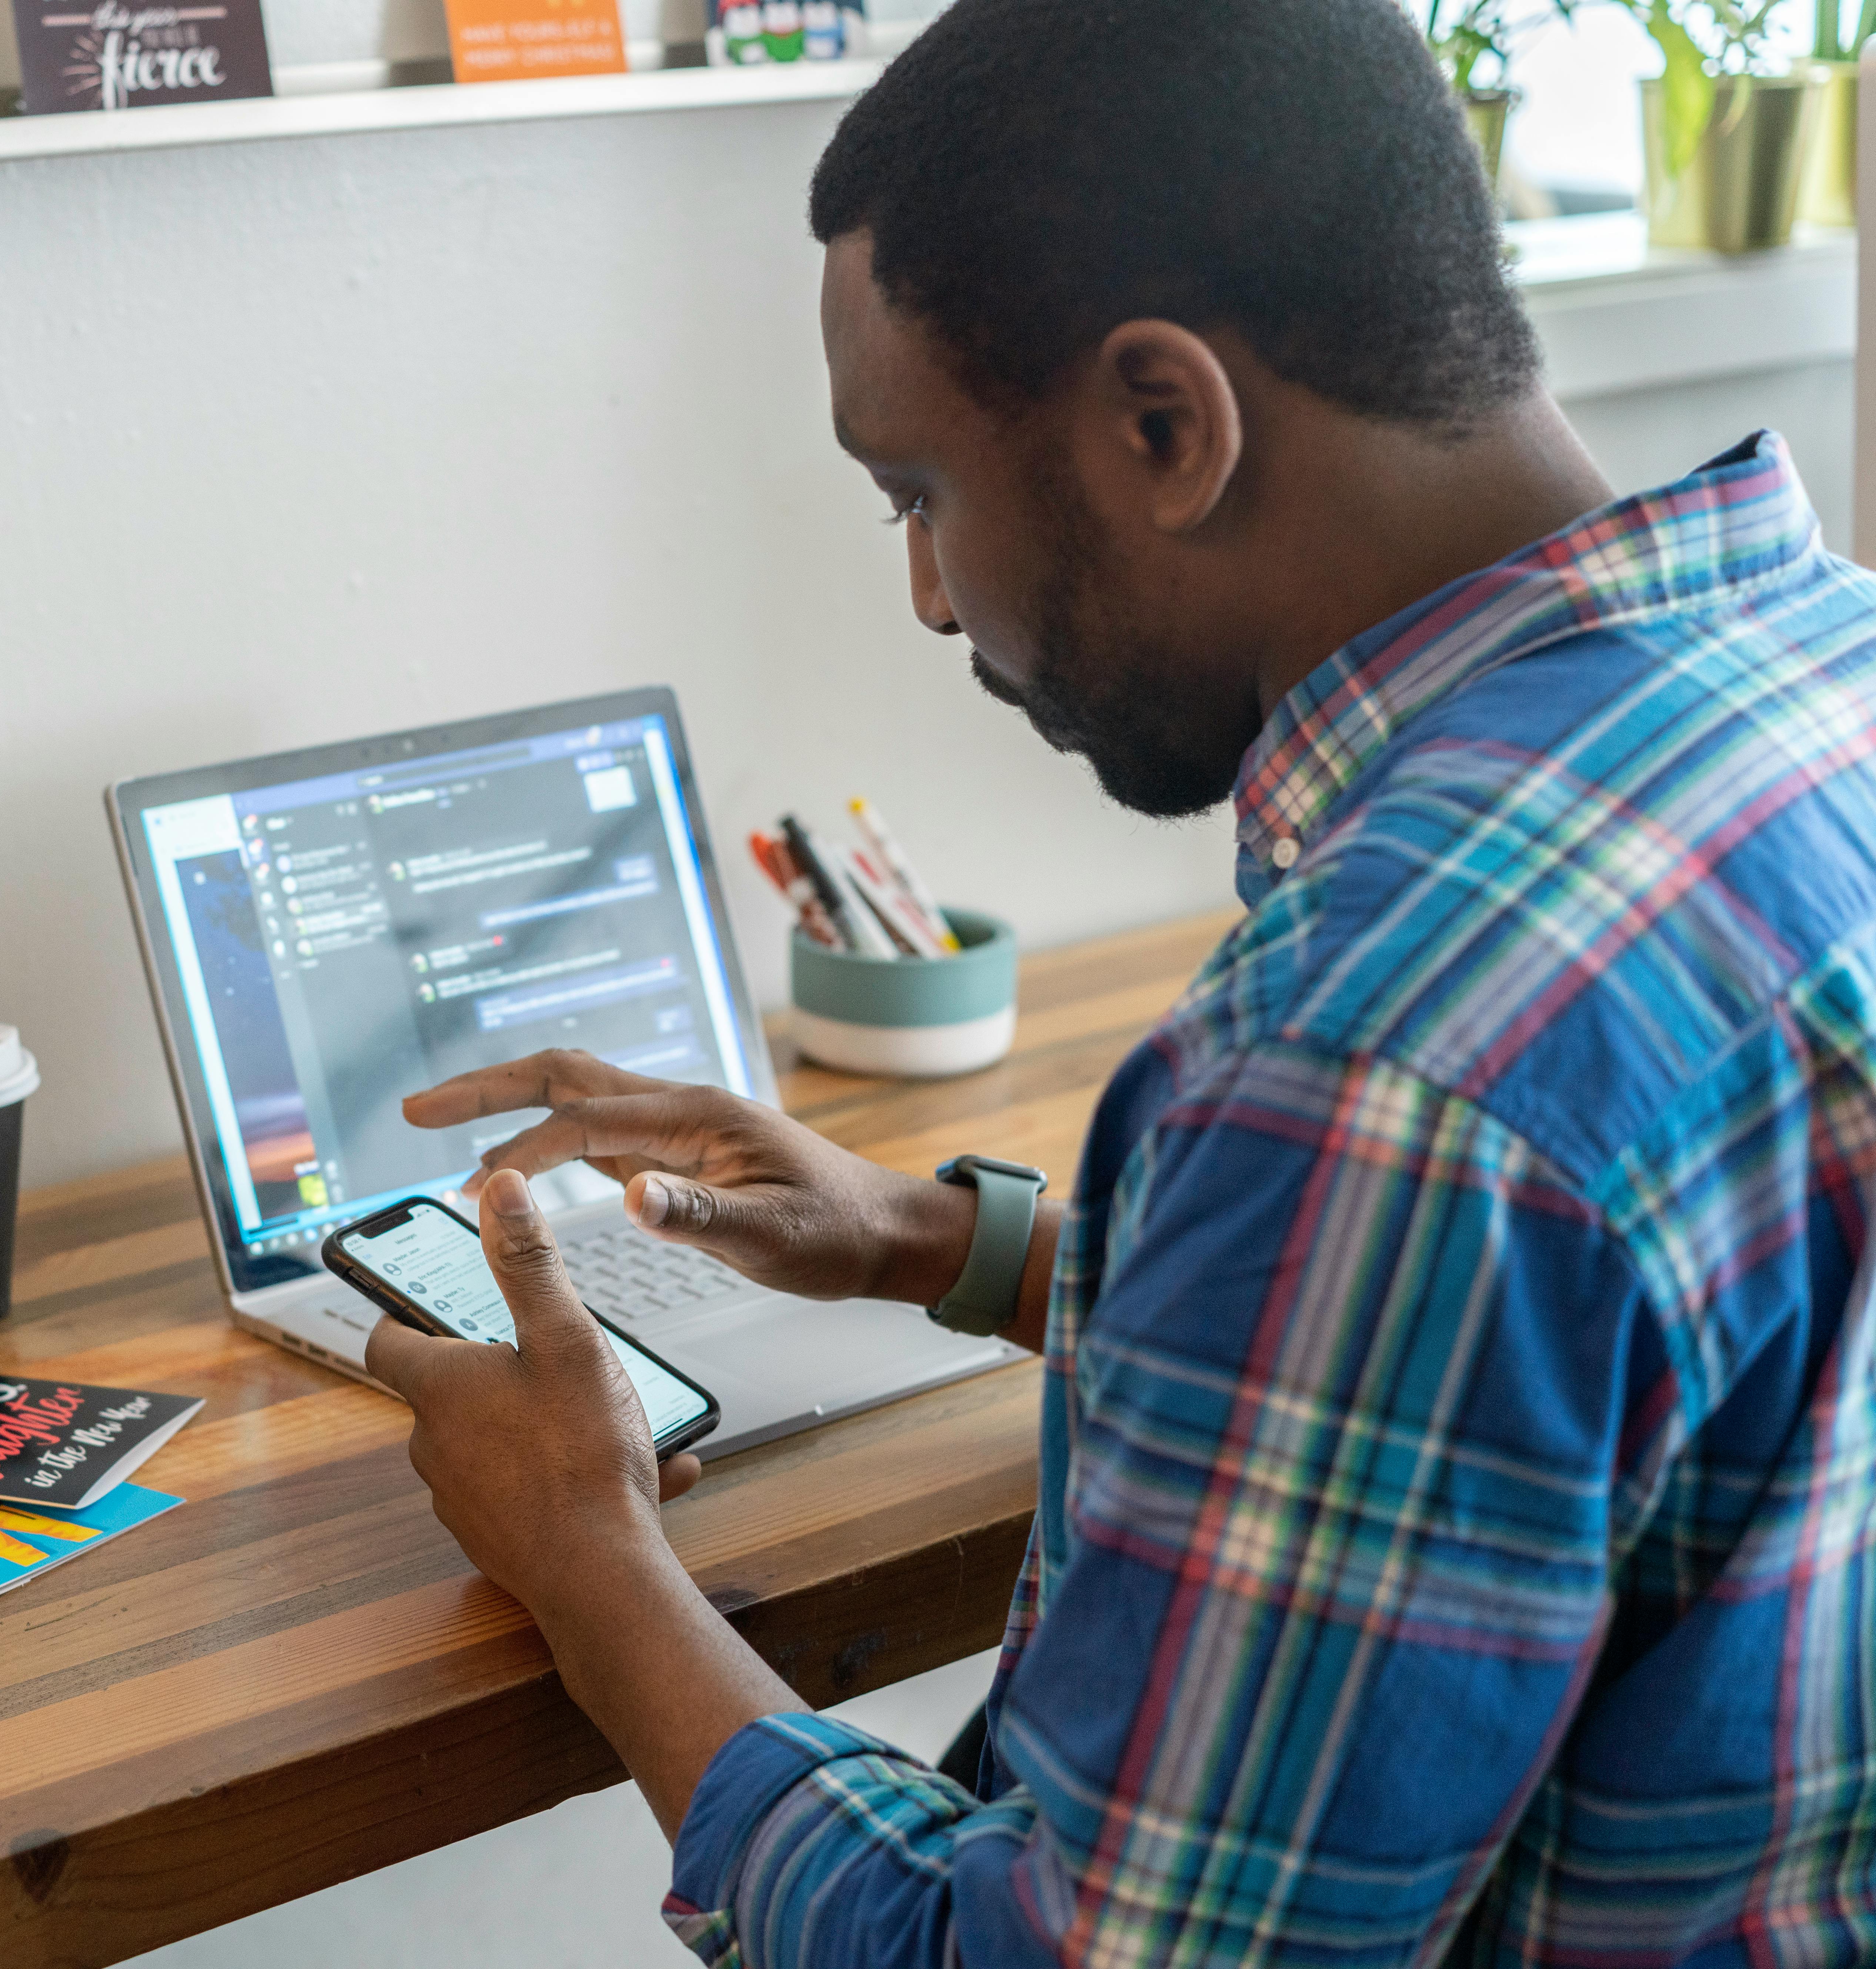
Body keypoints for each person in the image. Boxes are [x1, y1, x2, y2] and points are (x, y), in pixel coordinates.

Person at [362, 0, 1876, 1962]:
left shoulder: (1377, 1055)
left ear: (1167, 424)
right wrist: (951, 1243)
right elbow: (1573, 1367)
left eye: (918, 493)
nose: (924, 593)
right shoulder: (1820, 677)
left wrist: (594, 1561)